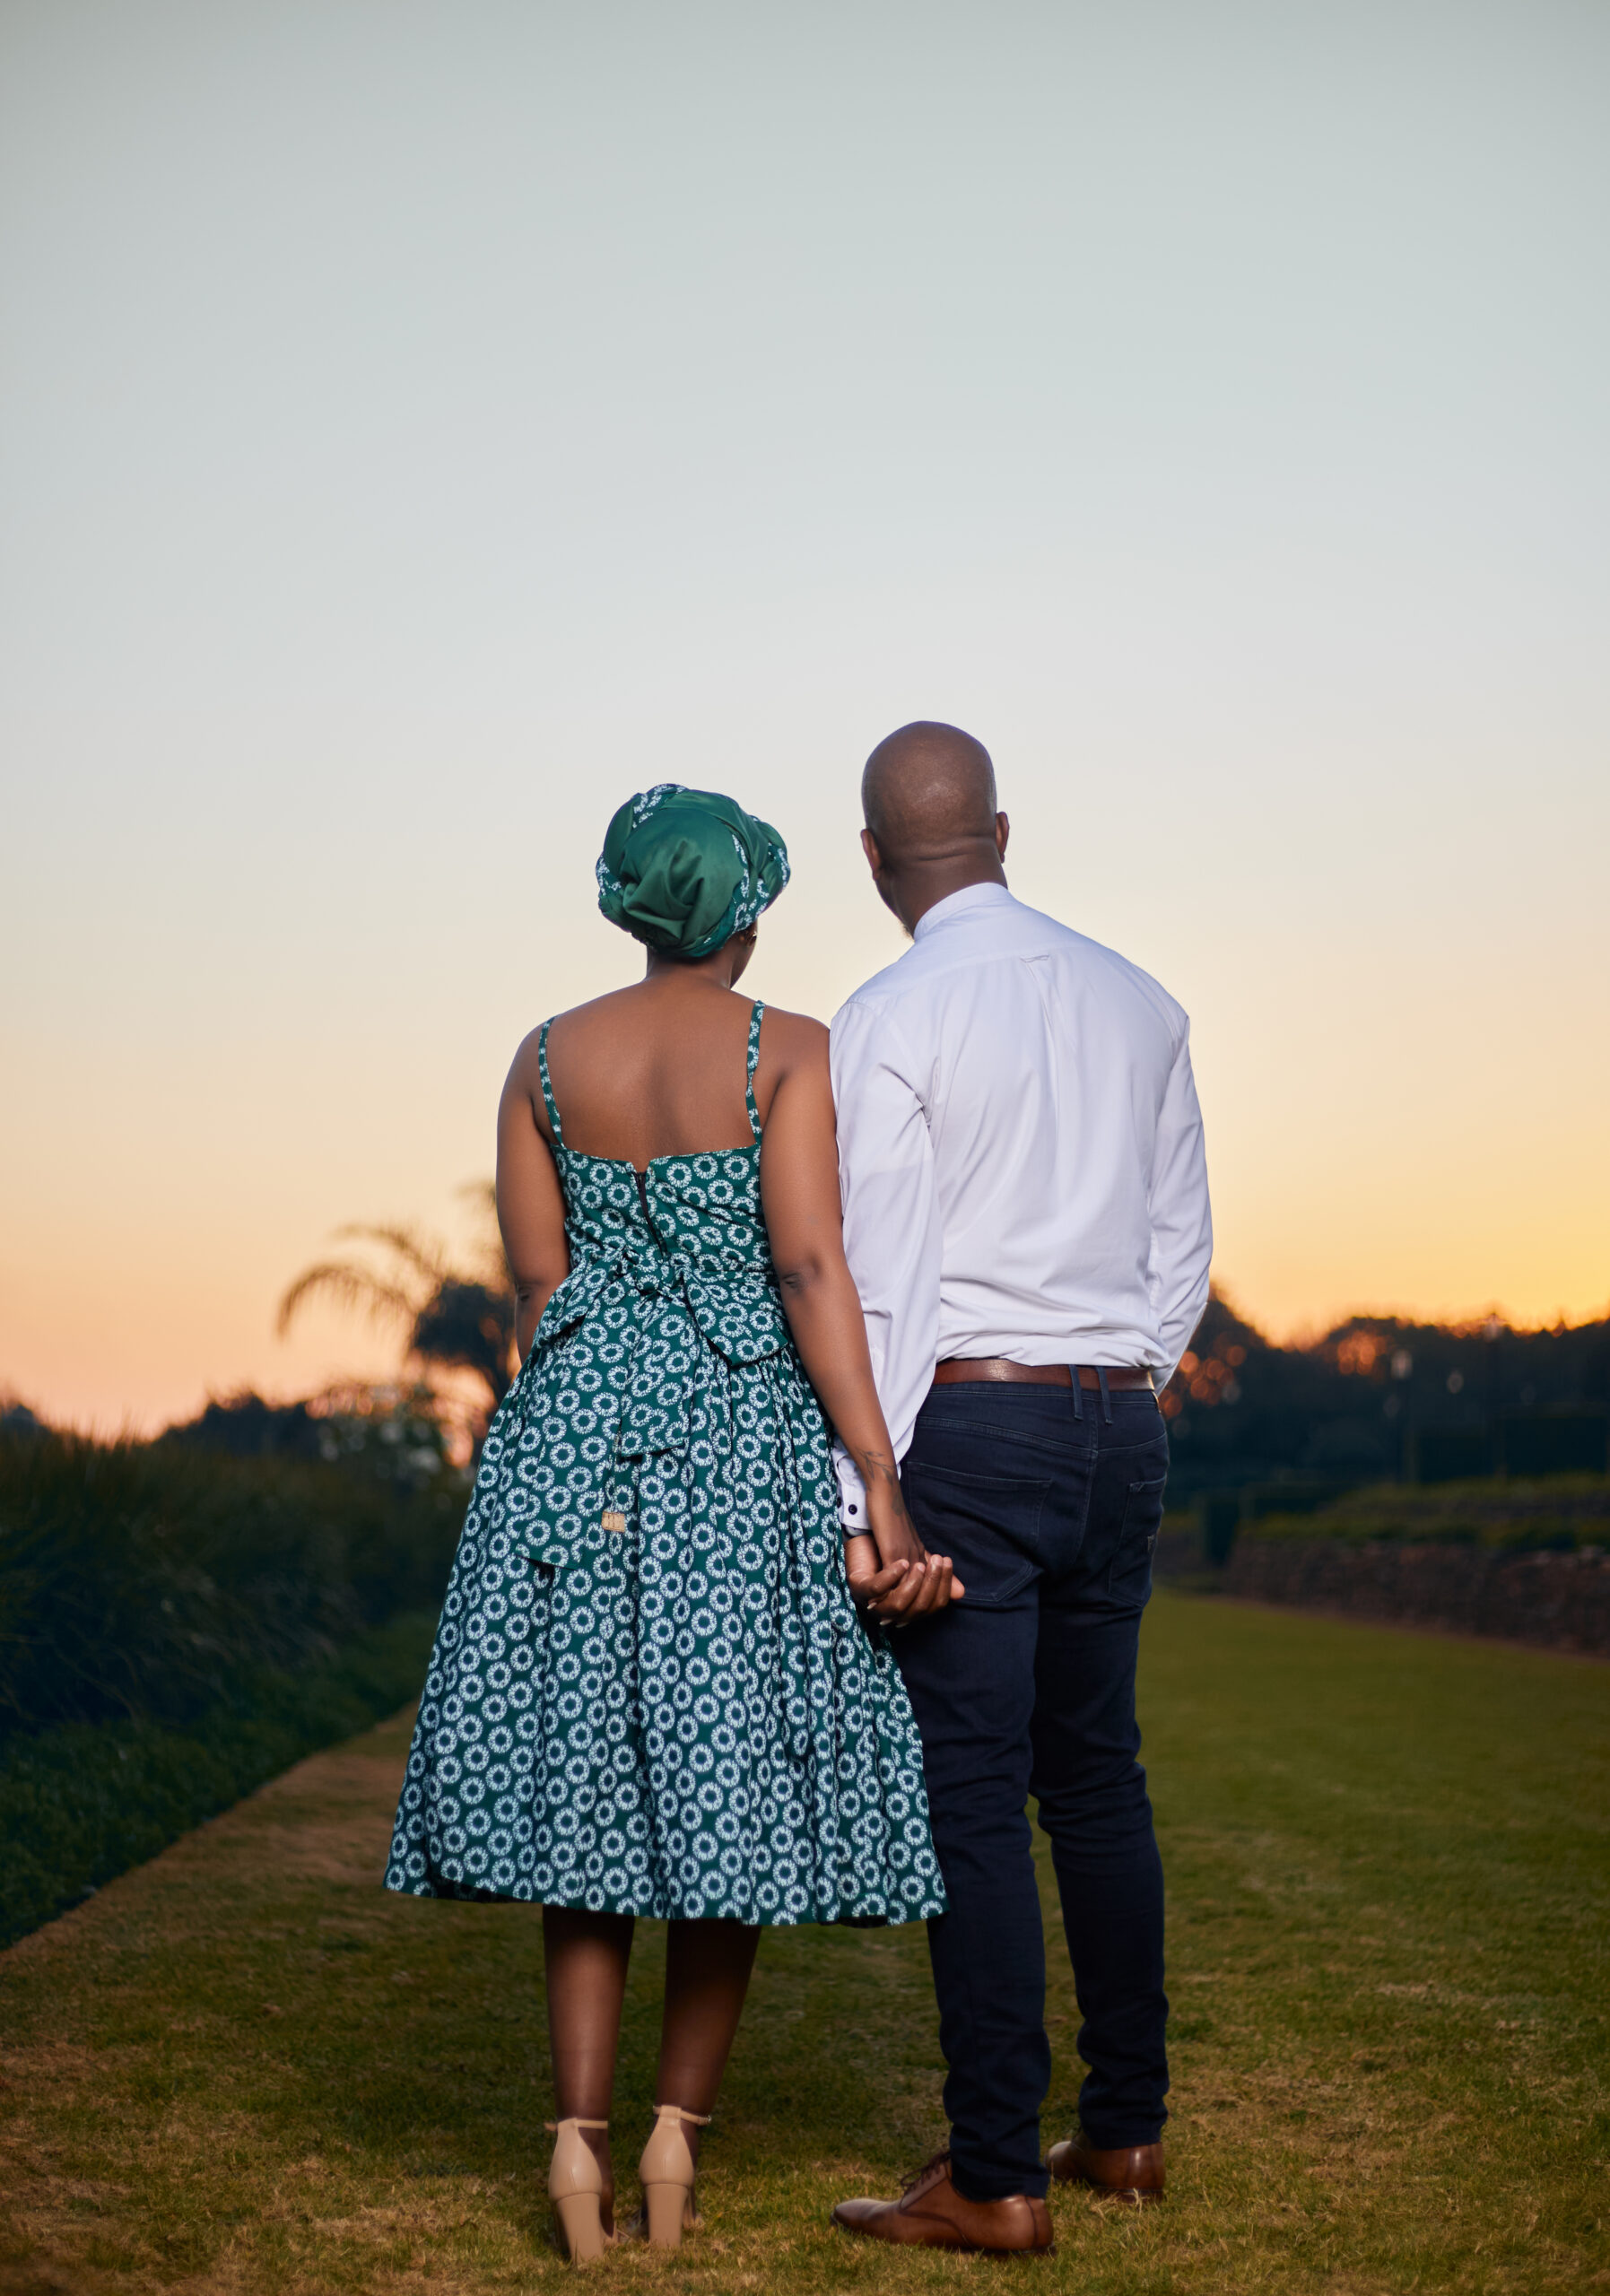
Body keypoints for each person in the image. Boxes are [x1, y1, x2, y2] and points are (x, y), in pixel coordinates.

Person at [385, 782, 959, 2263]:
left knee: (585, 1796)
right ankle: (672, 2141)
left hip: (574, 1434)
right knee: (726, 1789)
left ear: (631, 905)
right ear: (748, 915)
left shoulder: (542, 1058)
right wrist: (878, 1476)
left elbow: (536, 1285)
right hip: (737, 1440)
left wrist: (580, 1426)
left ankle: (573, 2146)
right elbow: (812, 1270)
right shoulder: (787, 1049)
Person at [827, 724, 1213, 2255]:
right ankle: (1125, 2131)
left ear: (873, 860)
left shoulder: (887, 1015)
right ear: (1002, 832)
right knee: (1099, 1778)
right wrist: (1117, 1383)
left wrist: (871, 1497)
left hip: (970, 1424)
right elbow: (1182, 1246)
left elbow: (881, 1279)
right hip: (1118, 1418)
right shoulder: (1141, 999)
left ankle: (993, 2174)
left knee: (977, 1793)